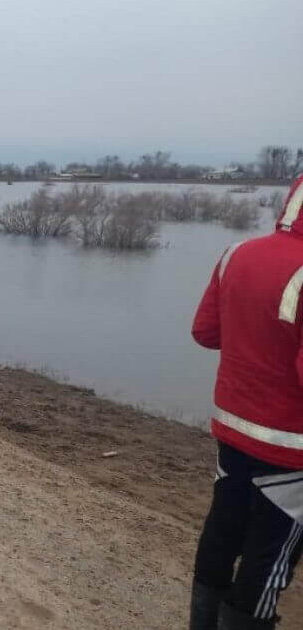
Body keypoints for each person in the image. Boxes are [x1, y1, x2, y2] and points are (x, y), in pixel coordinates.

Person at [190, 174, 303, 630]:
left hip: (232, 431)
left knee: (222, 532)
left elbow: (205, 333)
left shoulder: (236, 253)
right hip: (292, 451)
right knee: (268, 559)